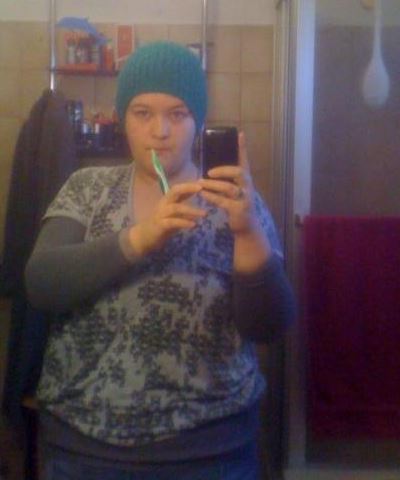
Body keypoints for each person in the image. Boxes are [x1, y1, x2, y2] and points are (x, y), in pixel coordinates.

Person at [25, 41, 295, 480]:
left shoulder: (238, 205)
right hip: (85, 448)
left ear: (198, 122)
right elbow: (41, 284)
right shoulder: (87, 188)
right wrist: (141, 238)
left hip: (213, 451)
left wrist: (248, 232)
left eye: (178, 114)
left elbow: (269, 326)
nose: (160, 131)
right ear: (122, 119)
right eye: (142, 113)